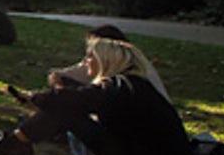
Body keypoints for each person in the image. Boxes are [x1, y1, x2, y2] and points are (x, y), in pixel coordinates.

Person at [0, 35, 193, 155]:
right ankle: (19, 141)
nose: (85, 62)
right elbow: (79, 96)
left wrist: (35, 98)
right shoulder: (132, 85)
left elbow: (73, 101)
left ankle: (16, 142)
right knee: (64, 104)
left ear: (105, 60)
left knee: (65, 110)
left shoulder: (117, 88)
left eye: (90, 57)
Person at [39, 24, 168, 101]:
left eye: (92, 52)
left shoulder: (119, 84)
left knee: (66, 109)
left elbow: (65, 80)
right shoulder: (133, 64)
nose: (86, 60)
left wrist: (56, 93)